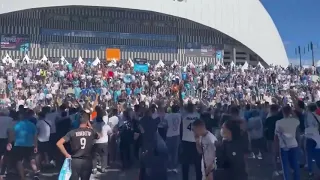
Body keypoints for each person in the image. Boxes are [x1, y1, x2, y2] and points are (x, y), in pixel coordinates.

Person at [56, 110, 99, 180]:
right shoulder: (91, 132)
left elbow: (59, 143)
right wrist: (91, 126)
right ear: (87, 121)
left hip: (75, 160)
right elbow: (99, 136)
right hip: (87, 160)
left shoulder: (72, 132)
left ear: (78, 121)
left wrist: (66, 154)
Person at [8, 109, 39, 180]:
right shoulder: (32, 125)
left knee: (19, 160)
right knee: (32, 159)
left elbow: (12, 135)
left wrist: (10, 143)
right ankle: (36, 173)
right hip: (30, 144)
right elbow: (35, 136)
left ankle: (22, 177)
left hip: (18, 145)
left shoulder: (17, 125)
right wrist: (36, 146)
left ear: (21, 117)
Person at [274, 105, 300, 180]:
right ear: (290, 112)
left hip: (283, 147)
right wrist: (292, 112)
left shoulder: (278, 122)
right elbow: (297, 119)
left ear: (282, 112)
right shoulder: (295, 121)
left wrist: (276, 148)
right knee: (295, 165)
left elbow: (276, 137)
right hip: (294, 145)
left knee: (285, 167)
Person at [180, 102, 202, 180]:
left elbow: (181, 105)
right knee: (197, 163)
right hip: (195, 140)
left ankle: (185, 178)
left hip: (186, 140)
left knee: (185, 163)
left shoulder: (183, 115)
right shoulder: (197, 116)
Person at [165, 104, 181, 173]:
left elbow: (165, 125)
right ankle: (174, 167)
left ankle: (168, 167)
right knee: (175, 152)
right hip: (177, 135)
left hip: (169, 135)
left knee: (168, 152)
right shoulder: (179, 115)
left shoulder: (167, 116)